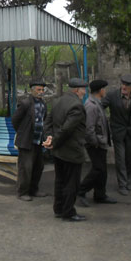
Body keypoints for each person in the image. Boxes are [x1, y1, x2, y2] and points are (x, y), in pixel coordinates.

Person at [42, 78, 88, 222]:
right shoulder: (77, 105)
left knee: (60, 180)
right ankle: (68, 212)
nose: (84, 92)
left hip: (59, 151)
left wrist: (50, 138)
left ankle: (59, 209)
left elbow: (48, 122)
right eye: (83, 89)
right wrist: (53, 141)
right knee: (72, 183)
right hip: (71, 151)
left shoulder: (57, 101)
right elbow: (67, 129)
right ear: (77, 90)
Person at [102, 74, 131, 196]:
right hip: (118, 132)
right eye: (123, 84)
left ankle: (129, 180)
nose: (124, 87)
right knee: (120, 159)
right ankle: (122, 184)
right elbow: (100, 106)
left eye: (127, 85)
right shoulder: (112, 95)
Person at [77, 79, 117, 206]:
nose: (105, 91)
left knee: (102, 170)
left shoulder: (97, 103)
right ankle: (81, 190)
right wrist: (95, 142)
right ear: (100, 90)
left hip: (100, 142)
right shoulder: (91, 106)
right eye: (104, 89)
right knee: (98, 169)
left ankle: (100, 195)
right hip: (95, 143)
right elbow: (89, 128)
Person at [12, 80, 48, 202]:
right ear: (32, 90)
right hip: (27, 141)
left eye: (42, 90)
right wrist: (23, 132)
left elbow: (44, 120)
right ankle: (22, 192)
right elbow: (15, 119)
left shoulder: (43, 104)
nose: (41, 92)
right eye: (39, 89)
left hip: (38, 141)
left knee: (39, 166)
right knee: (26, 168)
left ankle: (34, 189)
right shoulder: (25, 103)